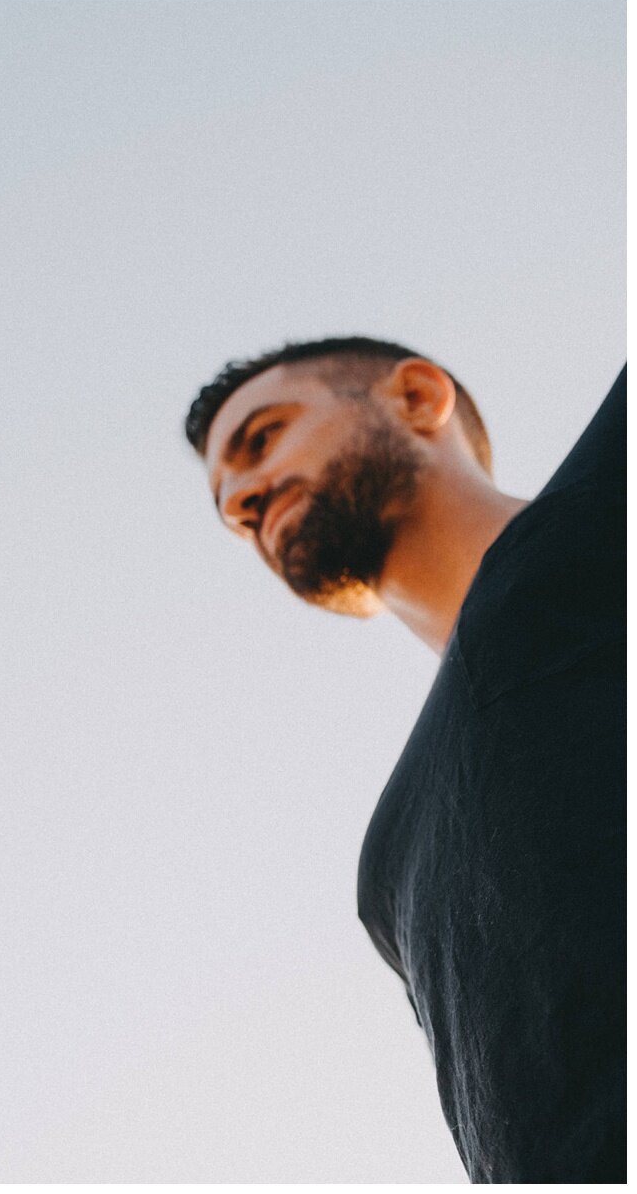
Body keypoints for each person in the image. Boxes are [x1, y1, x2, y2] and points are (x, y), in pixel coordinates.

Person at [185, 337, 625, 1183]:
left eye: (263, 437)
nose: (242, 498)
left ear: (418, 397)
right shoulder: (385, 866)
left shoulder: (614, 490)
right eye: (225, 504)